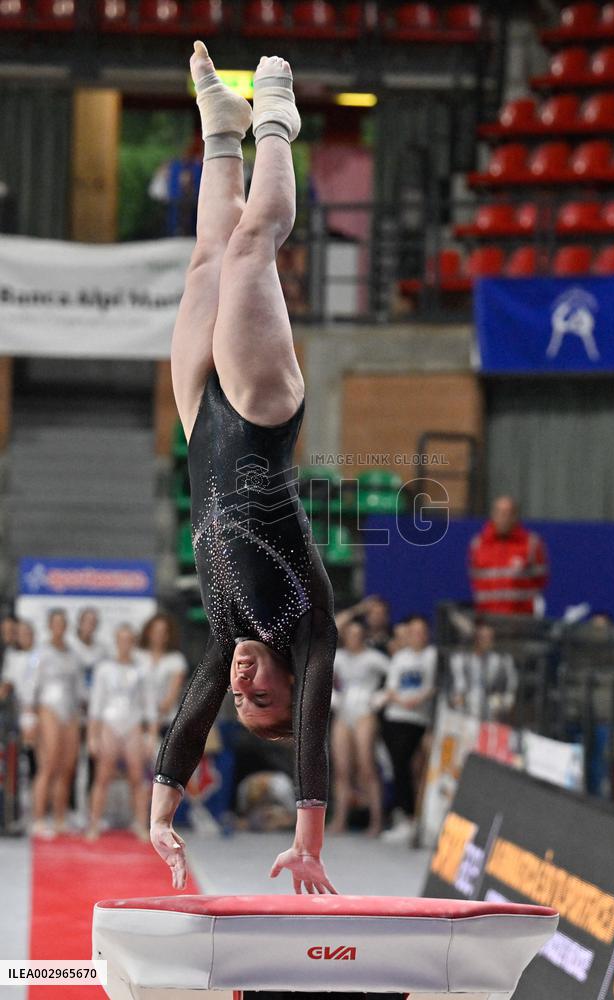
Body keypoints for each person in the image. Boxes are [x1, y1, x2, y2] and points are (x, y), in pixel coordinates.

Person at [149, 43, 338, 895]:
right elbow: (314, 731)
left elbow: (189, 725)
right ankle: (276, 120)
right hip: (259, 415)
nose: (241, 683)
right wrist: (309, 839)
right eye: (263, 696)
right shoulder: (308, 626)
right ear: (292, 683)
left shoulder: (226, 631)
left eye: (242, 699)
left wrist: (161, 812)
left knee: (205, 259)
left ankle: (221, 130)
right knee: (249, 249)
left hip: (200, 421)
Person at [87, 624, 158, 841]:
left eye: (129, 639)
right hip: (109, 724)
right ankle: (94, 823)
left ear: (133, 642)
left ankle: (140, 823)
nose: (125, 644)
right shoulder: (104, 669)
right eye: (121, 639)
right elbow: (96, 704)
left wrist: (151, 736)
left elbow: (150, 706)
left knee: (137, 777)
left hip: (133, 725)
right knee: (102, 777)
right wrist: (92, 736)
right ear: (116, 641)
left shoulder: (142, 670)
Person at [379, 615, 437, 844]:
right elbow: (391, 688)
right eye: (413, 632)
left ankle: (417, 817)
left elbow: (433, 686)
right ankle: (405, 816)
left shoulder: (433, 656)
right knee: (398, 765)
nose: (417, 636)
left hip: (419, 719)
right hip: (396, 717)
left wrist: (418, 699)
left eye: (422, 631)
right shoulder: (400, 657)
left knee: (416, 768)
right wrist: (402, 701)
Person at [329, 619, 388, 837]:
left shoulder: (374, 658)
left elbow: (395, 675)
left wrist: (381, 696)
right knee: (342, 769)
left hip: (365, 713)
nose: (353, 638)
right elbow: (320, 676)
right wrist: (333, 696)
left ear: (363, 636)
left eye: (357, 634)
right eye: (350, 634)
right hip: (344, 712)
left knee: (366, 767)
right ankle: (340, 819)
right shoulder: (339, 657)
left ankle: (377, 821)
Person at [27, 609, 83, 838]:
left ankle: (60, 818)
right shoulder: (39, 652)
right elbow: (31, 684)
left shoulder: (73, 654)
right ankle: (39, 819)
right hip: (48, 708)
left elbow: (78, 686)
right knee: (48, 765)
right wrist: (29, 718)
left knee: (67, 767)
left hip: (70, 711)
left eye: (63, 623)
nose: (59, 627)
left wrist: (81, 712)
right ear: (50, 626)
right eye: (55, 623)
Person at [468, 496, 549, 616]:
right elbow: (475, 581)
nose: (503, 518)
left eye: (508, 514)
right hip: (487, 619)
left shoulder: (531, 544)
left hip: (521, 619)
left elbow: (541, 581)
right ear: (493, 515)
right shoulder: (478, 544)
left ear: (515, 516)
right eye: (499, 513)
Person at [448, 622, 518, 722]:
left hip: (491, 711)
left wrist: (506, 703)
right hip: (466, 710)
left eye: (489, 638)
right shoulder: (461, 659)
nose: (486, 641)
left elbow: (511, 684)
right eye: (482, 637)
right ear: (475, 639)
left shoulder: (501, 661)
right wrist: (457, 698)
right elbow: (457, 685)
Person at [138, 613, 187, 737]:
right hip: (137, 720)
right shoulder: (136, 656)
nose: (158, 635)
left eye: (163, 632)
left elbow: (172, 696)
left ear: (168, 635)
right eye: (155, 631)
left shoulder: (176, 659)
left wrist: (154, 723)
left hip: (166, 721)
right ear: (148, 632)